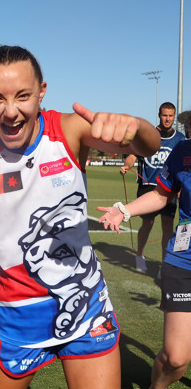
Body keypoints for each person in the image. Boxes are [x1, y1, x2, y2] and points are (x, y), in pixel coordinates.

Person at [0, 45, 161, 388]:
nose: (11, 112)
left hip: (87, 308)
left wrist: (136, 126)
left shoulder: (68, 129)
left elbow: (150, 146)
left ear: (42, 91)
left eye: (23, 96)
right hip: (18, 316)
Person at [99, 137, 191, 389]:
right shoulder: (183, 150)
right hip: (183, 261)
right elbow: (162, 195)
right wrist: (125, 210)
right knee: (176, 357)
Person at [119, 102, 185, 272]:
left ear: (174, 116)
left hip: (169, 186)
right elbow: (133, 155)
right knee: (147, 223)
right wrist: (127, 165)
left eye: (171, 115)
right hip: (149, 184)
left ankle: (164, 265)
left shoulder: (180, 138)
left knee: (167, 226)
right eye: (165, 115)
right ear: (159, 115)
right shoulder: (149, 134)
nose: (168, 119)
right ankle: (139, 255)